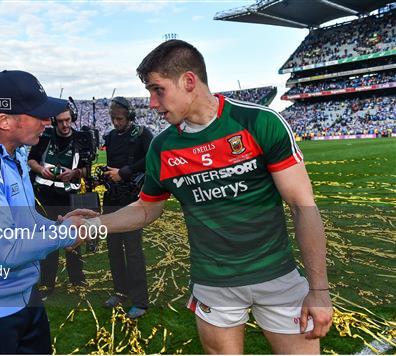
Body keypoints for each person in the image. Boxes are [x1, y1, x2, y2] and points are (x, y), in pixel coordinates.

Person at [81, 40, 333, 354]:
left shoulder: (258, 122)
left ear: (189, 82)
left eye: (157, 90)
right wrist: (95, 225)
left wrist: (319, 290)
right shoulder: (162, 147)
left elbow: (302, 205)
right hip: (213, 284)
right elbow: (146, 208)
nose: (152, 103)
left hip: (277, 276)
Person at [0, 70, 96, 354]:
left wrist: (58, 225)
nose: (47, 122)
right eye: (38, 114)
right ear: (4, 121)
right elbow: (7, 250)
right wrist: (66, 233)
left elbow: (24, 220)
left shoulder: (10, 154)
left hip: (21, 295)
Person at [98, 96, 153, 319]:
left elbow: (152, 159)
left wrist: (124, 172)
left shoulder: (142, 134)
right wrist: (109, 174)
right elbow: (113, 165)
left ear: (129, 116)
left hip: (133, 199)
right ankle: (120, 292)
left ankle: (140, 300)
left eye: (120, 118)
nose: (116, 123)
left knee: (132, 250)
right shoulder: (110, 136)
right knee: (113, 248)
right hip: (112, 197)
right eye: (113, 118)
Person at [28, 104, 88, 298]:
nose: (64, 125)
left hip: (71, 198)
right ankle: (47, 283)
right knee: (48, 242)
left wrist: (76, 173)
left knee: (74, 240)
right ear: (54, 121)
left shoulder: (81, 138)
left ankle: (77, 280)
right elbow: (32, 160)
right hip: (46, 197)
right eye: (60, 121)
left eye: (67, 120)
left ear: (73, 118)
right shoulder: (44, 137)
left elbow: (88, 167)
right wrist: (40, 169)